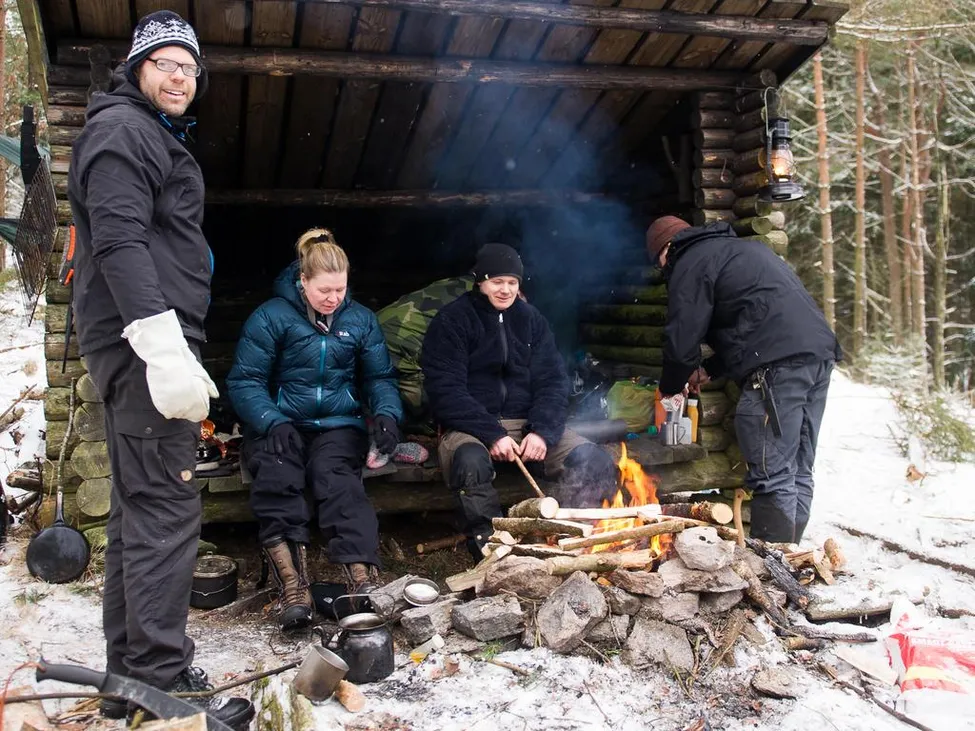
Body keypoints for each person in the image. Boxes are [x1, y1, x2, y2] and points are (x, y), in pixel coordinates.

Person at [66, 10, 254, 727]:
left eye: (189, 67)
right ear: (138, 67)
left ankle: (130, 674)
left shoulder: (143, 132)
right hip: (142, 344)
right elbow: (116, 242)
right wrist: (162, 345)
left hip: (142, 341)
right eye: (166, 63)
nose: (180, 77)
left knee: (138, 509)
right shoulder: (122, 132)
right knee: (169, 508)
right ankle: (159, 678)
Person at [227, 228, 403, 631]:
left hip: (338, 426)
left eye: (340, 290)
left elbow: (380, 378)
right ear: (302, 281)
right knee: (277, 475)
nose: (333, 298)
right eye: (324, 290)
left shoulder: (359, 320)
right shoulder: (271, 316)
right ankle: (293, 585)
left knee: (338, 479)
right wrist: (271, 420)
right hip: (280, 423)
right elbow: (245, 380)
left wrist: (388, 415)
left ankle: (362, 582)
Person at [646, 216, 841, 544]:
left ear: (665, 250)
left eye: (659, 263)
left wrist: (669, 387)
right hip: (817, 356)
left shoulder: (690, 261)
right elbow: (754, 320)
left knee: (772, 472)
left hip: (776, 369)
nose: (663, 270)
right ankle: (792, 561)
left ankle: (774, 570)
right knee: (797, 469)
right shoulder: (741, 250)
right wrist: (711, 369)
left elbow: (681, 340)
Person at [421, 243, 618, 561]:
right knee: (470, 463)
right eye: (497, 281)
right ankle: (491, 548)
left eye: (512, 282)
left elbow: (553, 382)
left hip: (528, 423)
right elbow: (446, 391)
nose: (505, 289)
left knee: (595, 462)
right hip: (470, 427)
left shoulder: (531, 320)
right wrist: (492, 434)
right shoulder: (453, 321)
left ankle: (574, 538)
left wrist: (542, 432)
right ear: (480, 281)